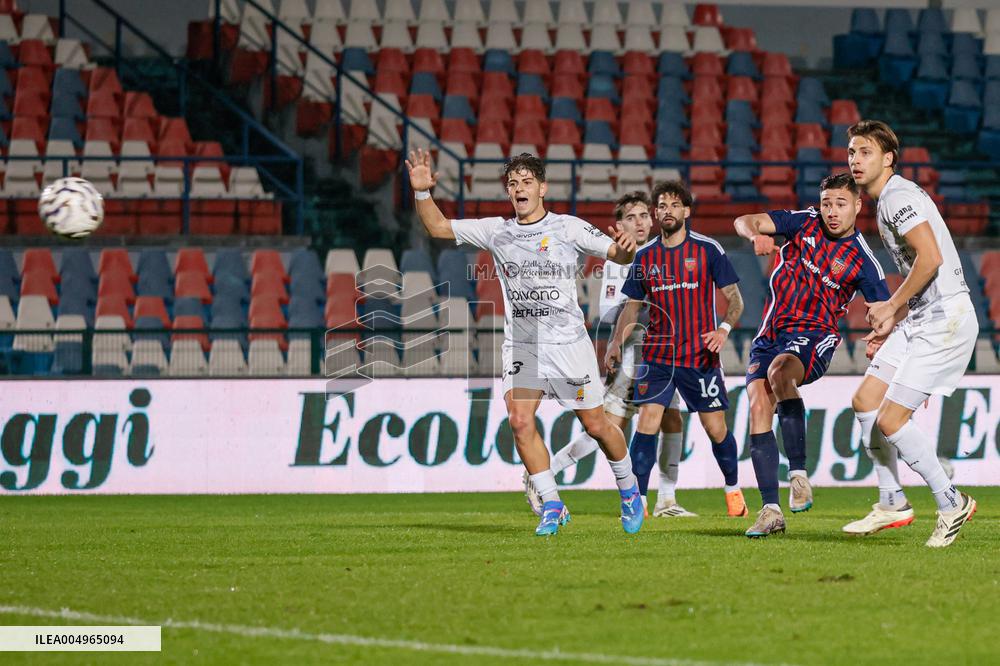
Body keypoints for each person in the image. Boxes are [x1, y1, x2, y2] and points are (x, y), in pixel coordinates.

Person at [405, 149, 645, 537]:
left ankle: (629, 489)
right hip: (525, 342)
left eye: (527, 182)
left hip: (568, 342)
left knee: (597, 425)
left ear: (542, 188)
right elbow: (438, 227)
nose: (519, 188)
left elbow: (616, 251)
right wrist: (421, 192)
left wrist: (625, 248)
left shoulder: (567, 227)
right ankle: (552, 504)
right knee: (519, 420)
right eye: (513, 183)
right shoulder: (496, 230)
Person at [734, 173, 891, 538]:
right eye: (827, 204)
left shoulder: (863, 260)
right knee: (758, 404)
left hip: (814, 337)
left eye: (840, 204)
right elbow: (746, 221)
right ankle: (771, 510)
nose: (832, 212)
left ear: (857, 206)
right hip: (770, 333)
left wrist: (880, 334)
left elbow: (884, 307)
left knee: (779, 373)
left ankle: (799, 475)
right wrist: (756, 236)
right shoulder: (803, 223)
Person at [845, 120, 978, 548]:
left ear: (888, 159)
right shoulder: (887, 199)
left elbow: (931, 258)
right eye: (851, 152)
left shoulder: (897, 197)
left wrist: (890, 305)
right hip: (923, 316)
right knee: (865, 400)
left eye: (865, 152)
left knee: (890, 419)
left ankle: (950, 501)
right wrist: (893, 320)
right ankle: (892, 501)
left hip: (945, 319)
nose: (855, 160)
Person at [525, 191, 697, 519]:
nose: (641, 223)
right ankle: (546, 473)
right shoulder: (618, 261)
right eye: (631, 218)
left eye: (645, 215)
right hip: (635, 358)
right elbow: (609, 310)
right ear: (619, 226)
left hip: (664, 354)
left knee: (672, 417)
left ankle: (667, 500)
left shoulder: (663, 254)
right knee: (605, 427)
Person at [608, 180, 749, 520]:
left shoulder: (708, 250)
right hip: (658, 356)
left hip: (699, 356)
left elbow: (735, 301)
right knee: (648, 422)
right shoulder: (645, 256)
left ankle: (733, 490)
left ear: (686, 211)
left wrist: (723, 329)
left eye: (674, 205)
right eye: (661, 206)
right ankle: (638, 502)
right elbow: (632, 307)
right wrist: (615, 342)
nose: (666, 211)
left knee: (716, 429)